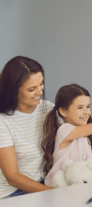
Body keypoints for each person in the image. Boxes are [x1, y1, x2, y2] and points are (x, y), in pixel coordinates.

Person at [0, 56, 53, 199]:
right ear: (13, 90)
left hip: (43, 184)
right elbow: (13, 177)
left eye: (41, 84)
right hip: (11, 192)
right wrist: (53, 193)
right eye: (32, 89)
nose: (40, 92)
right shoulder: (2, 122)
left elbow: (78, 135)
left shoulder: (47, 108)